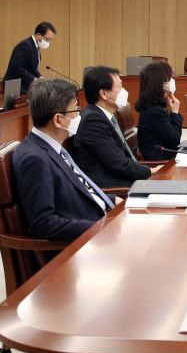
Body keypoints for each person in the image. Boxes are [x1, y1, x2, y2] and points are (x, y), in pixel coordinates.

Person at [12, 79, 115, 243]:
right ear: (58, 120)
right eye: (75, 110)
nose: (78, 116)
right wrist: (101, 228)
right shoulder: (34, 159)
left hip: (105, 220)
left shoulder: (51, 146)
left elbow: (79, 191)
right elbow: (43, 222)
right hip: (88, 242)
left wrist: (112, 200)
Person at [71, 65, 155, 188]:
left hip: (122, 178)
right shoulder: (93, 120)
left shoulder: (104, 115)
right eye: (120, 87)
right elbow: (118, 164)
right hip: (113, 187)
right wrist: (151, 171)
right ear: (104, 93)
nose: (124, 91)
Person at [134, 61, 183, 160]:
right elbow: (174, 140)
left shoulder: (154, 107)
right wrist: (174, 113)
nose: (172, 81)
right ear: (160, 83)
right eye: (169, 78)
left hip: (165, 154)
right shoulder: (154, 111)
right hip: (160, 160)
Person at [4, 22, 55, 92]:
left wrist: (40, 77)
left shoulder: (35, 47)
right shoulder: (25, 45)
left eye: (50, 40)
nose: (48, 42)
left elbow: (31, 68)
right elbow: (16, 68)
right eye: (47, 39)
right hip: (15, 86)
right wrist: (34, 79)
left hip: (25, 86)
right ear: (38, 35)